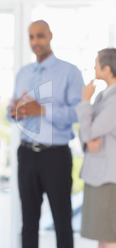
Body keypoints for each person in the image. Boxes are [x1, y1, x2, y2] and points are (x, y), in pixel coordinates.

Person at [8, 20, 84, 248]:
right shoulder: (24, 72)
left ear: (50, 36)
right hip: (27, 153)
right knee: (28, 222)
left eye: (40, 36)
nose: (35, 42)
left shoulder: (69, 72)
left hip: (56, 156)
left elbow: (78, 113)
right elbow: (11, 112)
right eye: (31, 37)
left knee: (62, 221)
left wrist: (41, 109)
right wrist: (16, 111)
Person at [75, 48, 116, 248]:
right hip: (100, 176)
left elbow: (89, 131)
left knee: (108, 237)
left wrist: (84, 101)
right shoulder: (104, 96)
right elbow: (87, 134)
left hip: (109, 178)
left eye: (97, 63)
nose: (93, 67)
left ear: (107, 69)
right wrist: (88, 136)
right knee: (103, 235)